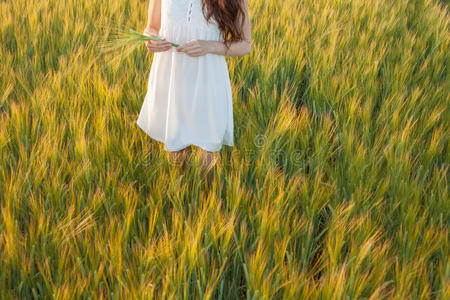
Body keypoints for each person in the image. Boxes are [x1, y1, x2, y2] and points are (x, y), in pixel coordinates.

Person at [136, 0, 252, 171]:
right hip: (172, 79)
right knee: (175, 157)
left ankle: (206, 197)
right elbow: (151, 28)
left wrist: (209, 46)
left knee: (207, 160)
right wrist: (150, 40)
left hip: (207, 81)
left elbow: (245, 44)